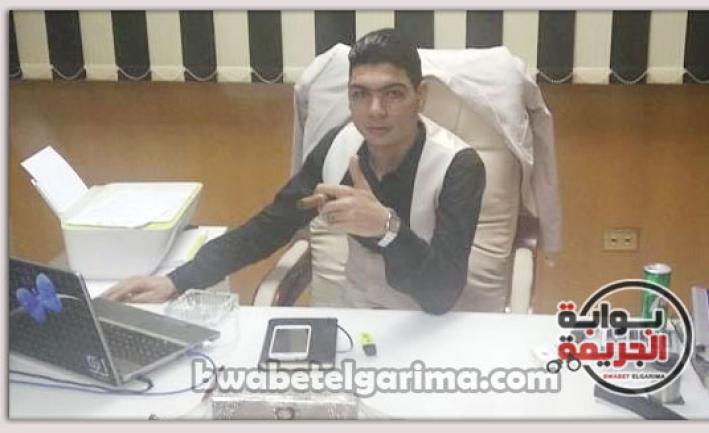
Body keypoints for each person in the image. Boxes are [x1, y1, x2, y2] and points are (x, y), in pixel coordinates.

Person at [102, 28, 486, 315]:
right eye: (360, 94)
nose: (375, 111)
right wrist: (176, 281)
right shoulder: (339, 146)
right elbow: (271, 225)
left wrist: (387, 229)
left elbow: (441, 295)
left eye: (393, 93)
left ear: (421, 97)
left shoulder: (458, 166)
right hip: (357, 318)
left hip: (431, 324)